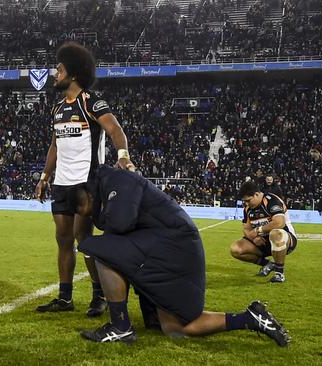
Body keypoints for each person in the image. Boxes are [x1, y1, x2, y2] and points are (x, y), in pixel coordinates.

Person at [76, 166, 290, 347]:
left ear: (88, 195)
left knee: (102, 249)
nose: (86, 216)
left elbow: (121, 225)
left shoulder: (118, 180)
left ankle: (120, 327)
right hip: (171, 249)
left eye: (82, 209)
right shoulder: (116, 185)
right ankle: (249, 318)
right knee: (174, 329)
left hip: (174, 249)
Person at [35, 42, 134, 316]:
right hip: (62, 183)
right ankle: (65, 298)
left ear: (73, 74)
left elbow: (115, 129)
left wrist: (123, 156)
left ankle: (99, 294)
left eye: (60, 69)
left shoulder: (91, 101)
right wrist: (44, 177)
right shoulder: (57, 109)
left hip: (87, 181)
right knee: (63, 239)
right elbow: (55, 146)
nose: (56, 74)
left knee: (83, 237)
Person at [230, 181, 297, 283]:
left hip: (284, 239)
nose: (246, 204)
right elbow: (246, 228)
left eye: (248, 200)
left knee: (275, 234)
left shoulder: (271, 200)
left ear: (256, 194)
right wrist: (254, 238)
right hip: (262, 241)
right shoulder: (248, 208)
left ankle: (279, 273)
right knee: (235, 249)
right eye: (244, 202)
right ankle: (268, 264)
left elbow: (279, 223)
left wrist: (258, 231)